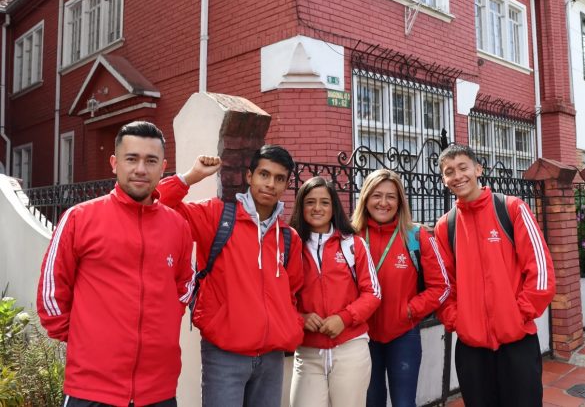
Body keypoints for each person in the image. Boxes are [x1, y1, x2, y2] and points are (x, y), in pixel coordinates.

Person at [37, 121, 195, 407]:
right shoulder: (80, 218)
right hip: (91, 389)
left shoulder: (178, 226)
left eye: (151, 161)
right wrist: (86, 340)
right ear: (114, 163)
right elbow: (52, 291)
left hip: (158, 389)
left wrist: (165, 321)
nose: (140, 169)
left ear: (163, 167)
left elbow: (185, 284)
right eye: (131, 159)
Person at [156, 145, 304, 407]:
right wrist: (191, 176)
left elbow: (292, 292)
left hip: (271, 357)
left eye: (279, 178)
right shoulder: (217, 216)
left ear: (286, 184)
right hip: (224, 354)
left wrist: (290, 325)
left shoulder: (289, 237)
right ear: (249, 176)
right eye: (264, 174)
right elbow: (158, 203)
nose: (271, 184)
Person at [434, 144, 556, 407]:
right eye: (449, 172)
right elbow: (442, 286)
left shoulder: (511, 208)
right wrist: (458, 320)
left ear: (478, 169)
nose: (457, 176)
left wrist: (517, 314)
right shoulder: (445, 226)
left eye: (463, 167)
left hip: (517, 341)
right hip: (471, 348)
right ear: (444, 180)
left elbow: (541, 270)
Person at [352, 169, 451, 407]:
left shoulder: (416, 236)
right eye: (377, 195)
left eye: (391, 196)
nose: (383, 203)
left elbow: (442, 286)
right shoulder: (351, 236)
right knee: (371, 401)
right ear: (365, 198)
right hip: (361, 335)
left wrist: (409, 310)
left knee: (404, 403)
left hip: (403, 334)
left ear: (400, 202)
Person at [288, 177, 381, 407]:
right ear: (301, 206)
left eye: (324, 202)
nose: (317, 208)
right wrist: (300, 318)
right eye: (310, 202)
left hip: (350, 349)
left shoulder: (353, 244)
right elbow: (279, 296)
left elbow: (373, 293)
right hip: (308, 353)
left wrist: (344, 318)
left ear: (334, 207)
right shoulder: (290, 245)